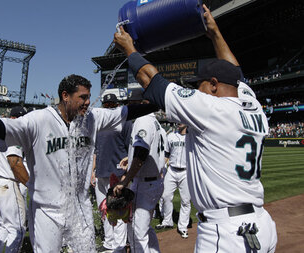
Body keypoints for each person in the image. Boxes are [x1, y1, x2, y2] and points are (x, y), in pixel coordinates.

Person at [114, 4, 277, 253]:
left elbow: (152, 83)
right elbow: (235, 74)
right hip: (261, 225)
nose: (195, 89)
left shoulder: (211, 109)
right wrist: (214, 33)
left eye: (198, 84)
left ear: (213, 85)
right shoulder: (252, 105)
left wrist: (129, 50)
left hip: (226, 233)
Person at [0, 74, 158, 253]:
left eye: (89, 97)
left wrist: (161, 99)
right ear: (65, 96)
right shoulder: (38, 120)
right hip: (46, 209)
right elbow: (4, 128)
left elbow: (126, 113)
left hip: (80, 206)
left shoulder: (92, 118)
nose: (88, 102)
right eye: (83, 97)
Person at [113, 100, 165, 253]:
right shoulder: (156, 122)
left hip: (144, 184)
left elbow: (142, 154)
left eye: (132, 104)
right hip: (154, 182)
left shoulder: (143, 120)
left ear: (142, 104)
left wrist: (125, 180)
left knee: (137, 234)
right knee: (145, 228)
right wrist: (131, 158)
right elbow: (149, 151)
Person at [91, 93, 132, 253]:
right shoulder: (98, 124)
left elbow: (131, 148)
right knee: (104, 210)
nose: (108, 107)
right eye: (106, 105)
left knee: (118, 209)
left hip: (116, 172)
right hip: (100, 172)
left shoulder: (125, 122)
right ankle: (109, 243)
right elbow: (95, 150)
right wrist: (93, 171)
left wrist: (125, 175)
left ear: (116, 105)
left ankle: (119, 246)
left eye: (112, 105)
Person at [0, 124, 29, 252]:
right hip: (6, 183)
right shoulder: (12, 134)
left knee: (4, 225)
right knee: (18, 229)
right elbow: (15, 164)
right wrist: (31, 185)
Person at [156, 123, 191, 239]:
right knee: (165, 196)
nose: (178, 122)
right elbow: (166, 154)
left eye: (181, 120)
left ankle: (183, 226)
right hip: (172, 170)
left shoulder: (191, 137)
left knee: (185, 201)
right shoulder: (170, 136)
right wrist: (161, 169)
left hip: (186, 172)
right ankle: (167, 221)